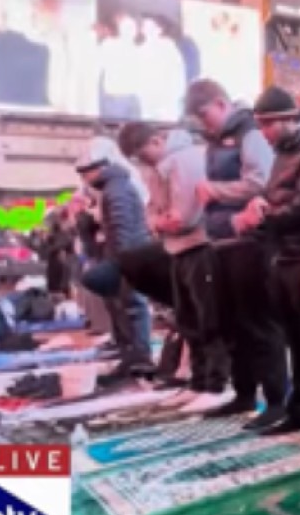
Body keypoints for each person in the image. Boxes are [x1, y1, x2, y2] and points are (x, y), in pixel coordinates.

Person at [231, 86, 300, 447]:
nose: (263, 133)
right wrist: (260, 206)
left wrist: (263, 218)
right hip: (282, 255)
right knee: (296, 341)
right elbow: (275, 194)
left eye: (267, 125)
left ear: (289, 118)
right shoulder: (286, 149)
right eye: (260, 125)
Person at [184, 79, 284, 422]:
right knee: (234, 325)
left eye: (205, 115)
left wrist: (216, 190)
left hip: (249, 240)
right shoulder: (215, 141)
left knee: (259, 325)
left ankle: (276, 400)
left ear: (221, 103)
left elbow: (260, 181)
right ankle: (243, 394)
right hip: (222, 241)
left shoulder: (249, 132)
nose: (203, 123)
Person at [123, 123, 231, 408]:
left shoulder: (186, 160)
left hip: (199, 246)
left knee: (208, 319)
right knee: (188, 319)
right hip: (177, 249)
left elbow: (184, 215)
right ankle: (197, 381)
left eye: (143, 153)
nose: (142, 161)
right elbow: (152, 213)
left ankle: (216, 384)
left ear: (157, 140)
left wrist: (162, 222)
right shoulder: (156, 168)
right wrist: (161, 222)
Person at [74, 138, 155, 377]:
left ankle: (140, 356)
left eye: (85, 173)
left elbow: (121, 227)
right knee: (124, 304)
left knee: (133, 305)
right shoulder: (114, 187)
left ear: (98, 169)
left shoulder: (116, 189)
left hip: (129, 254)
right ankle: (133, 353)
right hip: (127, 253)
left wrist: (120, 260)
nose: (84, 179)